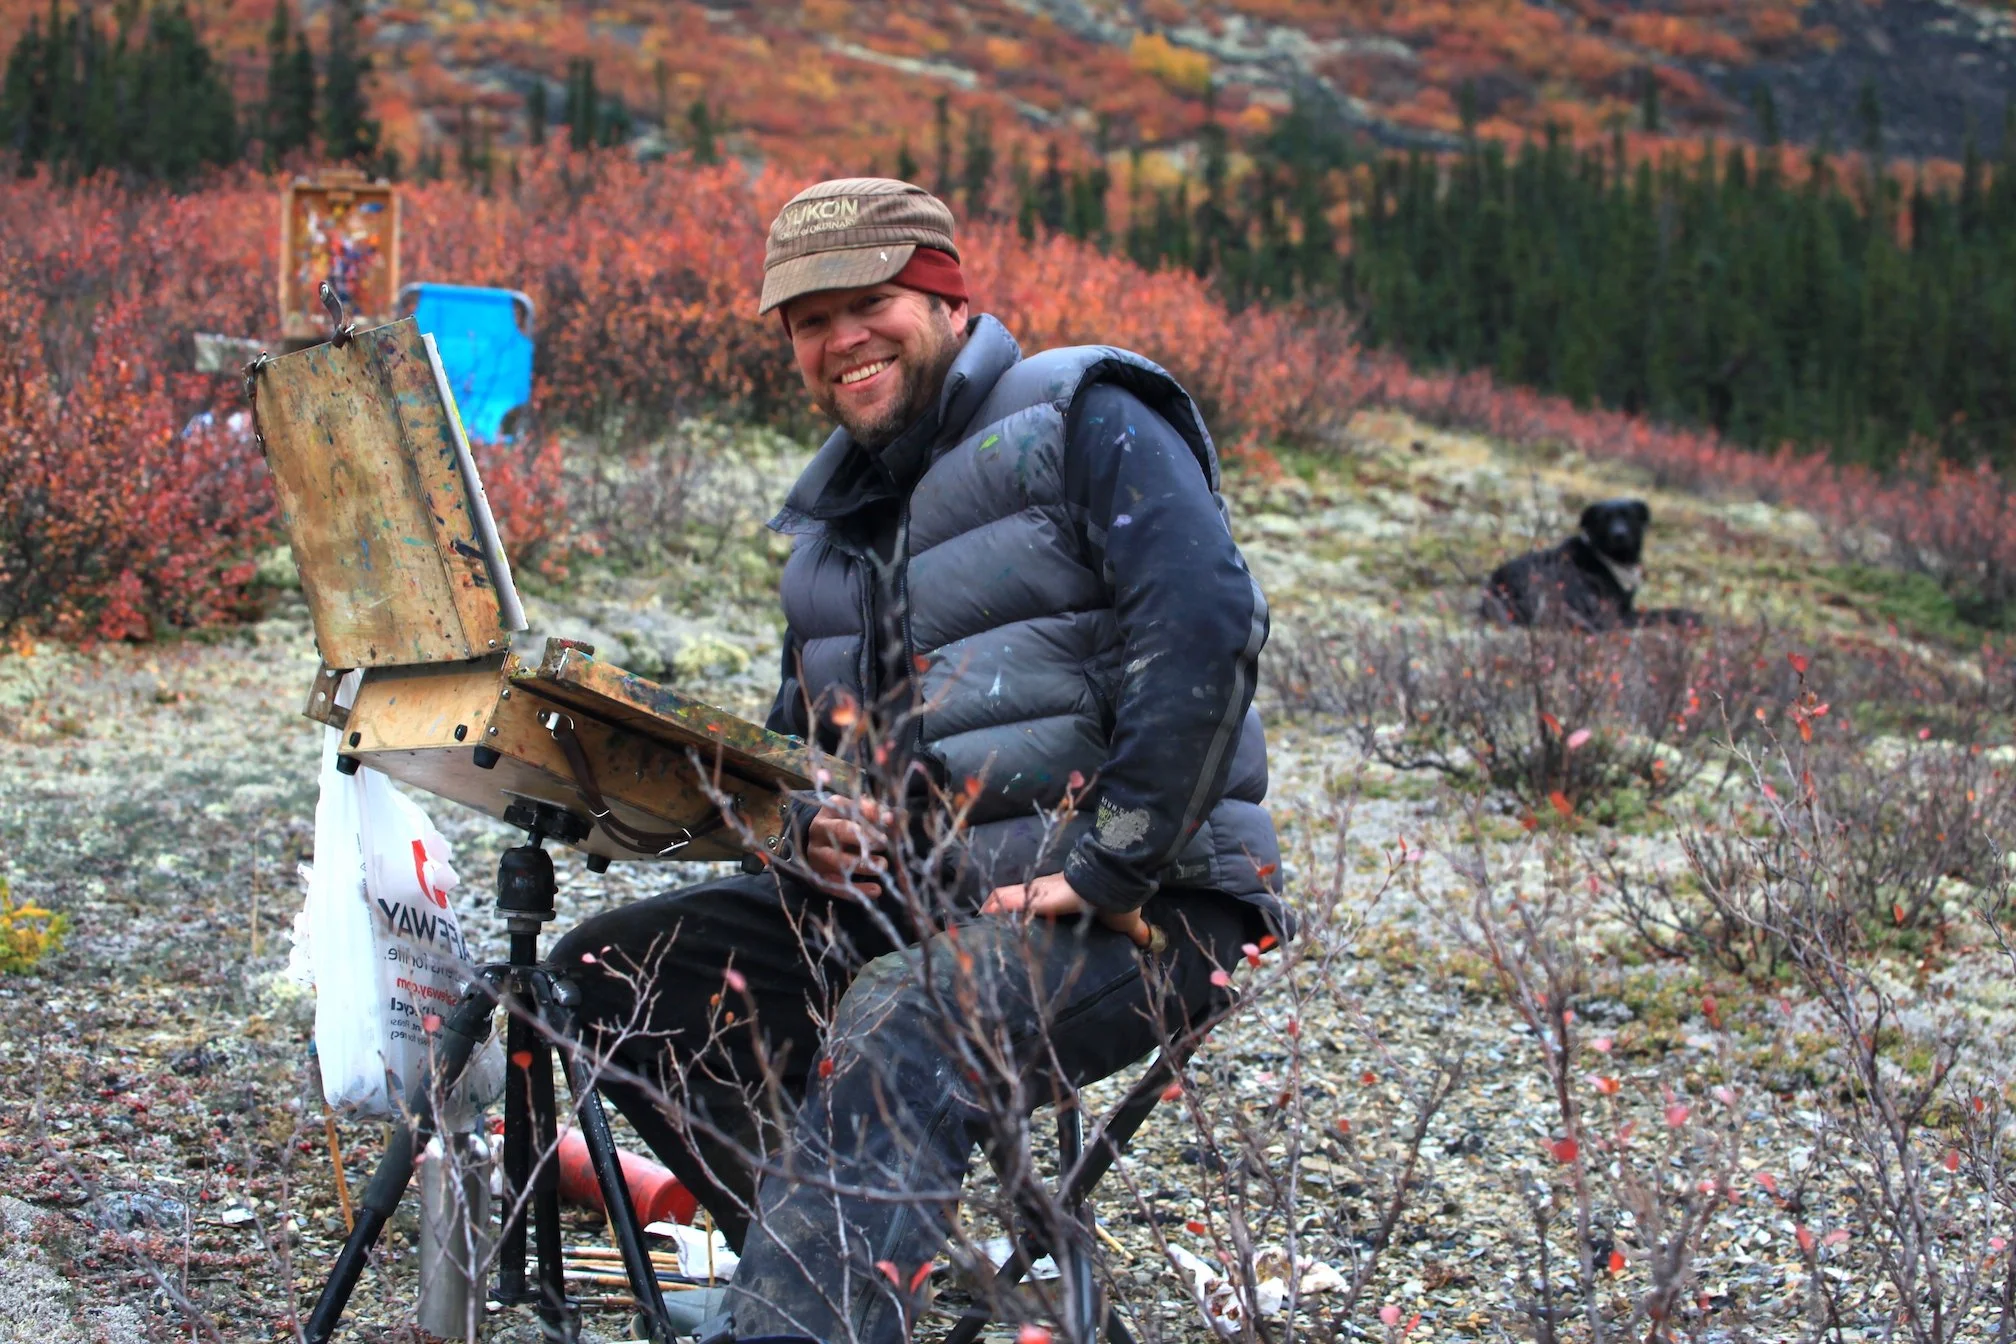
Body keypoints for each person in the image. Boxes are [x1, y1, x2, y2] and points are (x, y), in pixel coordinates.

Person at [552, 177, 1283, 1344]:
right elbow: (802, 760)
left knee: (910, 1011)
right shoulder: (824, 543)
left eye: (871, 301)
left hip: (1160, 905)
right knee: (611, 973)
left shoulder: (1084, 413)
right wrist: (806, 834)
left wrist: (1112, 867)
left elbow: (1206, 625)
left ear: (945, 297)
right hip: (923, 910)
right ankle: (840, 1281)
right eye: (806, 319)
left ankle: (802, 1319)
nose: (841, 339)